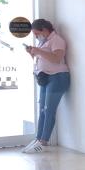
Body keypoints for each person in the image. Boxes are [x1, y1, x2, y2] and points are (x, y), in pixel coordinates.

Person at [22, 19, 69, 154]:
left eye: (37, 34)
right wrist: (33, 53)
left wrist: (38, 51)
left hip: (58, 77)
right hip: (45, 77)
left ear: (44, 29)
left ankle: (44, 141)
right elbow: (42, 60)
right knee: (42, 109)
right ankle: (38, 138)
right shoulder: (43, 42)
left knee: (49, 110)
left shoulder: (57, 40)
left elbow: (56, 58)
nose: (36, 37)